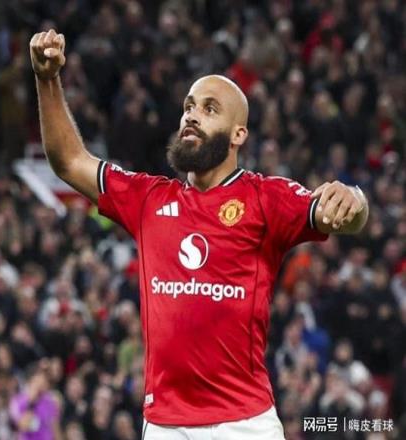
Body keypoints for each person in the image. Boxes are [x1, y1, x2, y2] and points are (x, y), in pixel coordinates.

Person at [29, 29, 369, 440]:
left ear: (238, 134)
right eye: (188, 107)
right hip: (164, 425)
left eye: (210, 109)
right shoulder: (148, 199)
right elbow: (68, 161)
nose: (191, 116)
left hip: (244, 424)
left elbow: (342, 216)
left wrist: (353, 199)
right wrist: (47, 79)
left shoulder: (265, 198)